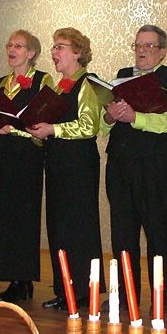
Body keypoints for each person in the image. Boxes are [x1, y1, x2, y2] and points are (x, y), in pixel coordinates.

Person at [100, 24, 167, 313]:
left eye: (149, 46)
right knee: (122, 233)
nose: (142, 51)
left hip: (152, 164)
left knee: (158, 233)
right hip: (119, 163)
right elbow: (103, 126)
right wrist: (110, 116)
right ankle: (124, 295)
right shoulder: (121, 76)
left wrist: (136, 117)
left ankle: (162, 298)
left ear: (162, 52)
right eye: (138, 45)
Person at [28, 27, 104, 311]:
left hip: (79, 164)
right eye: (53, 47)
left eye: (60, 47)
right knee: (58, 226)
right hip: (57, 162)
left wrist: (52, 129)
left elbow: (89, 126)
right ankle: (64, 290)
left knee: (79, 227)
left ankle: (84, 291)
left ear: (78, 53)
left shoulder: (89, 84)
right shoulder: (58, 88)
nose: (53, 52)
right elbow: (48, 129)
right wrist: (35, 132)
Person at [0, 30, 53, 303]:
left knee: (24, 218)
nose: (12, 49)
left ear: (31, 52)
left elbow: (43, 120)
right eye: (9, 45)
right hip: (2, 155)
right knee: (4, 217)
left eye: (18, 46)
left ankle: (24, 280)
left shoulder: (43, 80)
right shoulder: (0, 83)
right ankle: (12, 278)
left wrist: (14, 129)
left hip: (26, 157)